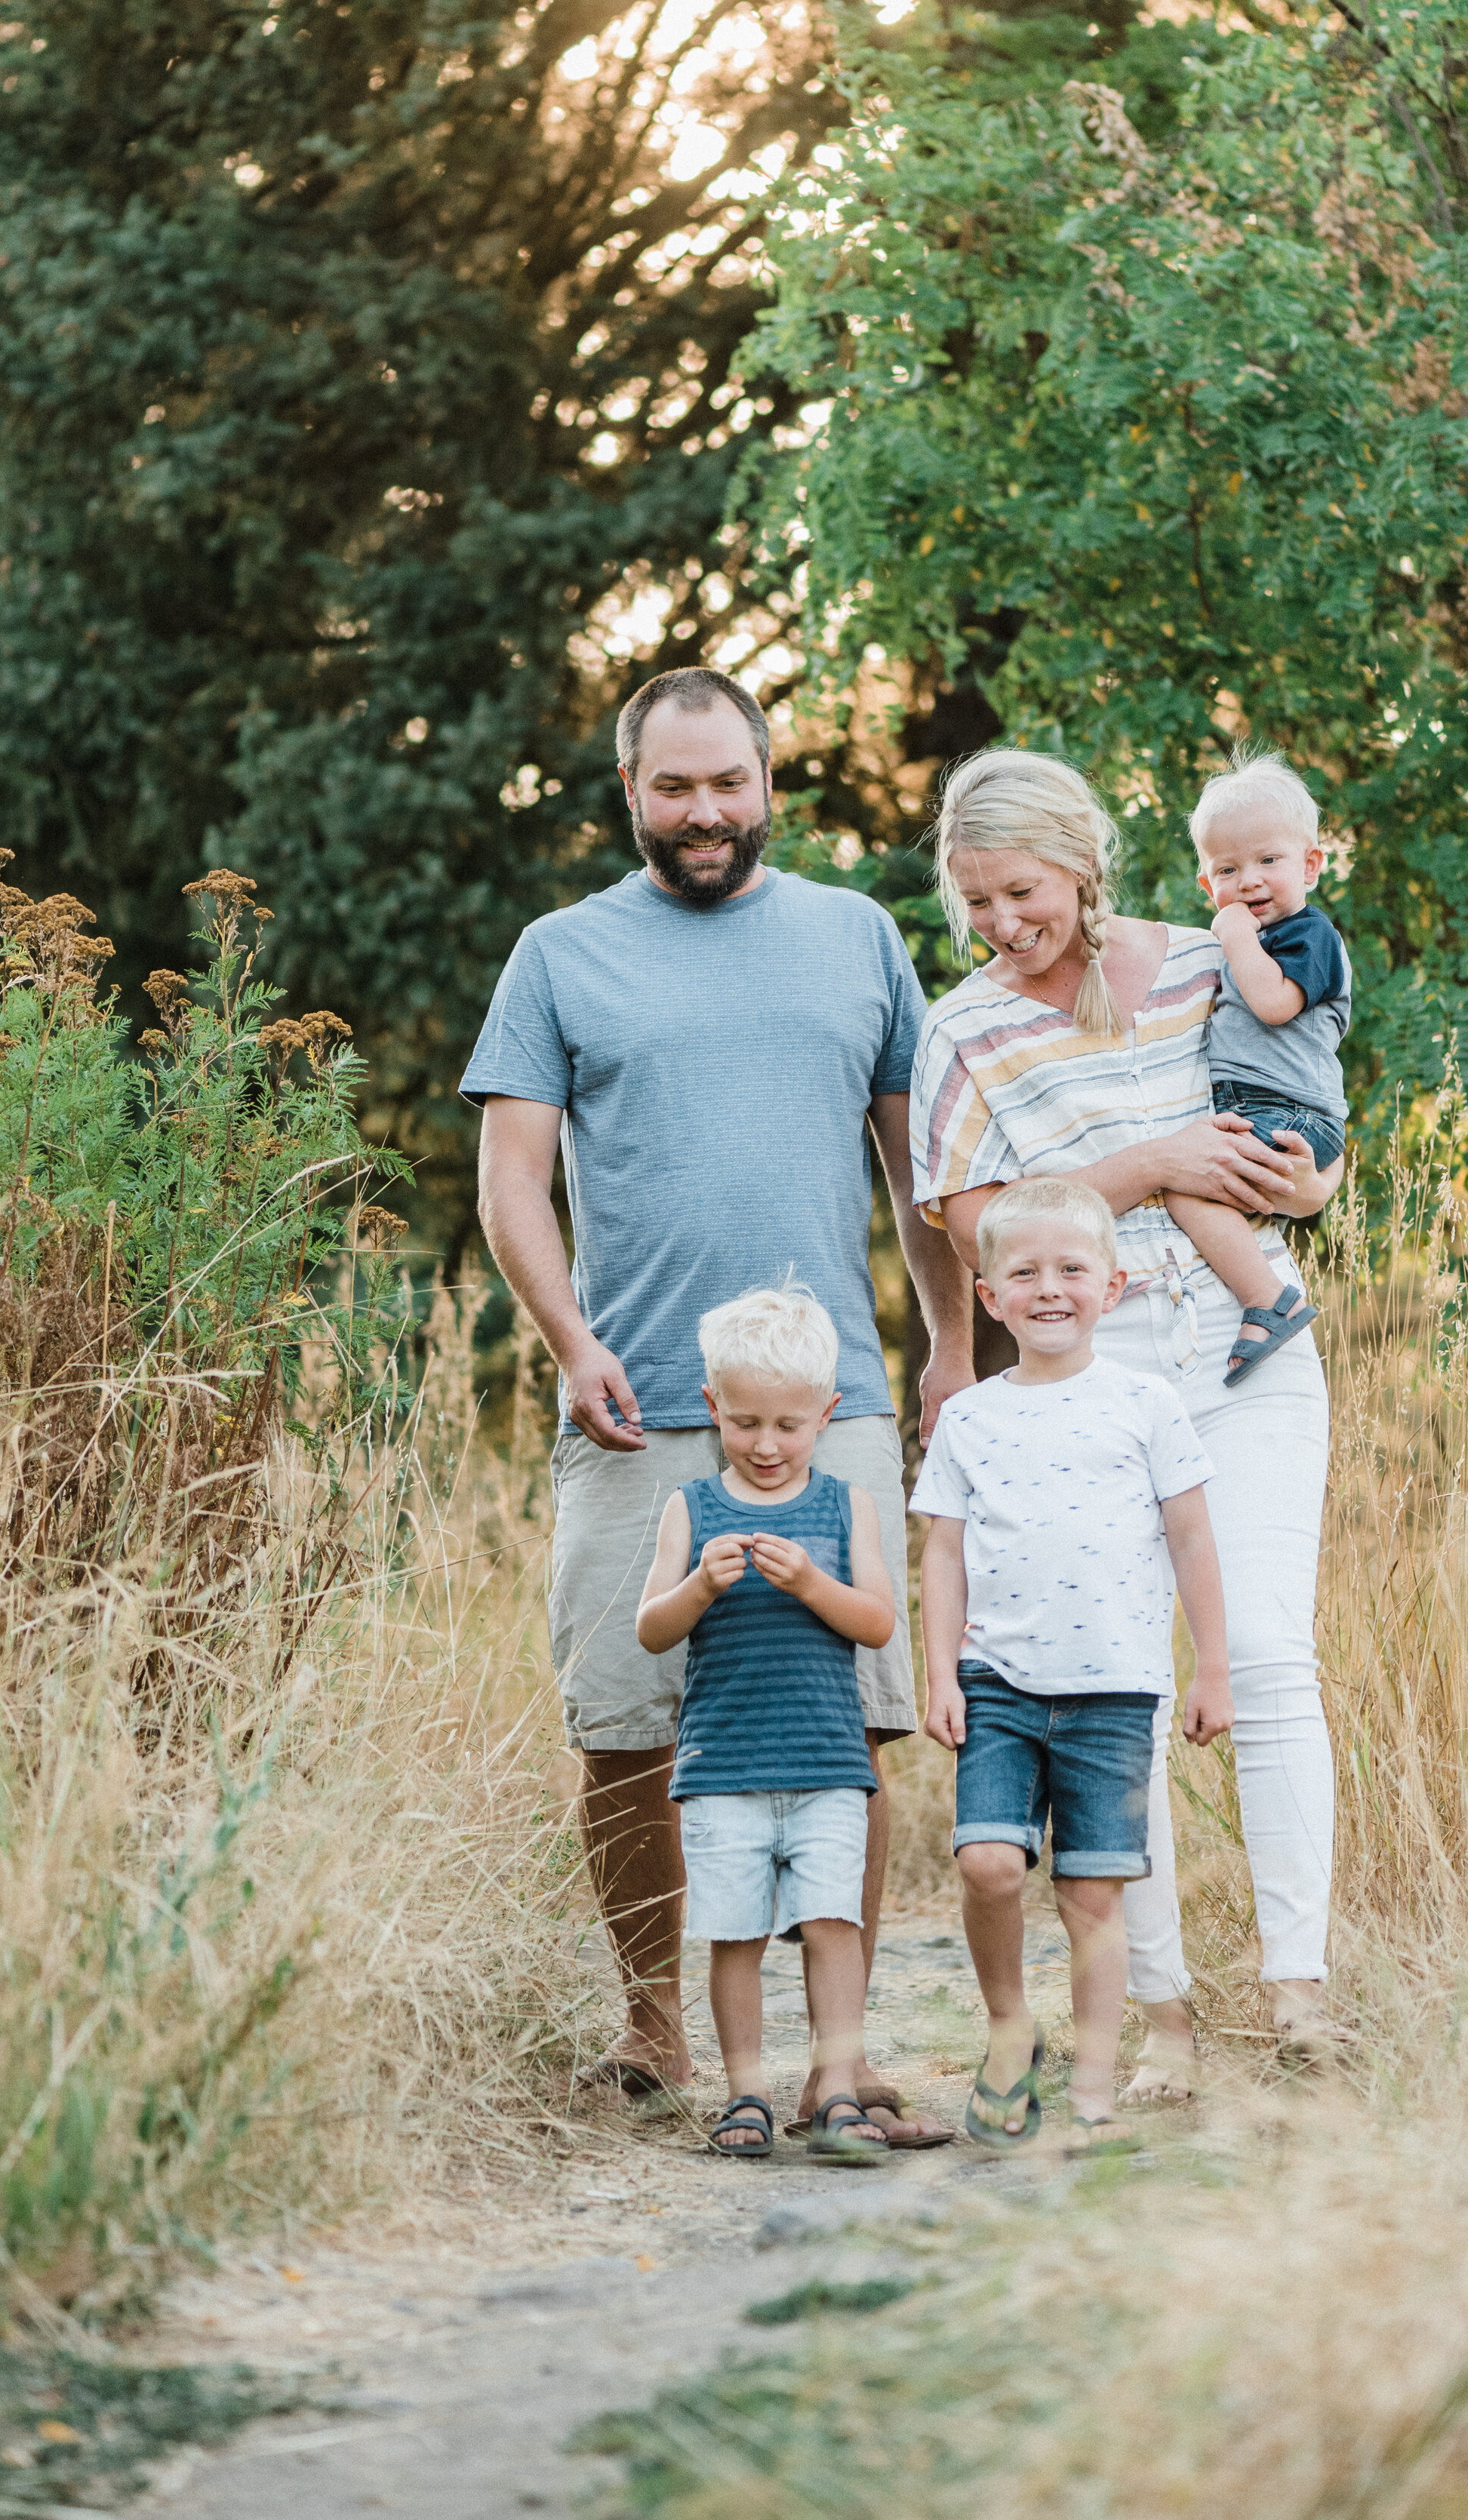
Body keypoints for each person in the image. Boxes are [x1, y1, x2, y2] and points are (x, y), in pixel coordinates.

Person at [463, 665, 974, 2134]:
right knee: (624, 1728)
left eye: (727, 784)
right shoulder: (560, 956)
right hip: (636, 1408)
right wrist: (568, 1345)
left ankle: (840, 2058)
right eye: (672, 787)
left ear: (768, 783)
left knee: (848, 1731)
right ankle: (652, 2036)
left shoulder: (853, 936)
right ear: (627, 792)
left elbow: (917, 1172)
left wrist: (947, 1346)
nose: (703, 812)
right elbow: (511, 1181)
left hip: (834, 1407)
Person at [910, 745, 1346, 2084]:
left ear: (1085, 865)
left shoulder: (1216, 955)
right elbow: (980, 1228)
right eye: (976, 902)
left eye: (1023, 891)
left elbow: (1311, 1110)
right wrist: (1147, 1165)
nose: (1003, 924)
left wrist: (1312, 1185)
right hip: (1083, 1385)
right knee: (1121, 1684)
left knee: (1267, 1658)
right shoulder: (962, 1032)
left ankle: (1301, 1993)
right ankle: (1160, 2011)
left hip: (1247, 1354)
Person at [914, 1179, 1233, 2154]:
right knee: (988, 1861)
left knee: (1095, 1892)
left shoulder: (1146, 1404)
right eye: (1024, 1272)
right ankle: (1012, 2028)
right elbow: (941, 1552)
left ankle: (1094, 2079)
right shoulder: (970, 1418)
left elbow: (1191, 1538)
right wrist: (939, 1674)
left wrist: (1211, 1665)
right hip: (999, 1686)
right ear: (989, 1295)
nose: (1049, 1288)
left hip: (1115, 1689)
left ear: (1112, 1283)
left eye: (1070, 1269)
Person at [636, 1284, 897, 2165]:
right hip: (721, 1769)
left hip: (827, 1765)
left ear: (825, 1413)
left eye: (789, 1424)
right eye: (744, 1423)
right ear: (713, 1409)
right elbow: (651, 1629)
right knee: (735, 1933)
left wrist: (812, 1585)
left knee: (833, 1923)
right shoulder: (690, 1508)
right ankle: (743, 2089)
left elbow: (877, 1622)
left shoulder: (844, 1505)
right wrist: (699, 1586)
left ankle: (831, 2086)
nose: (767, 1444)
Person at [1163, 753, 1353, 1386]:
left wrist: (1235, 936)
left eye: (1268, 861)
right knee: (1191, 1180)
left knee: (1188, 1183)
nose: (1249, 881)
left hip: (1293, 1111)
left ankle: (1269, 1300)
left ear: (1310, 865)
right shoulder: (1251, 942)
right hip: (1258, 1105)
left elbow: (1274, 1005)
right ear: (1205, 884)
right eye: (1228, 869)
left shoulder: (1308, 935)